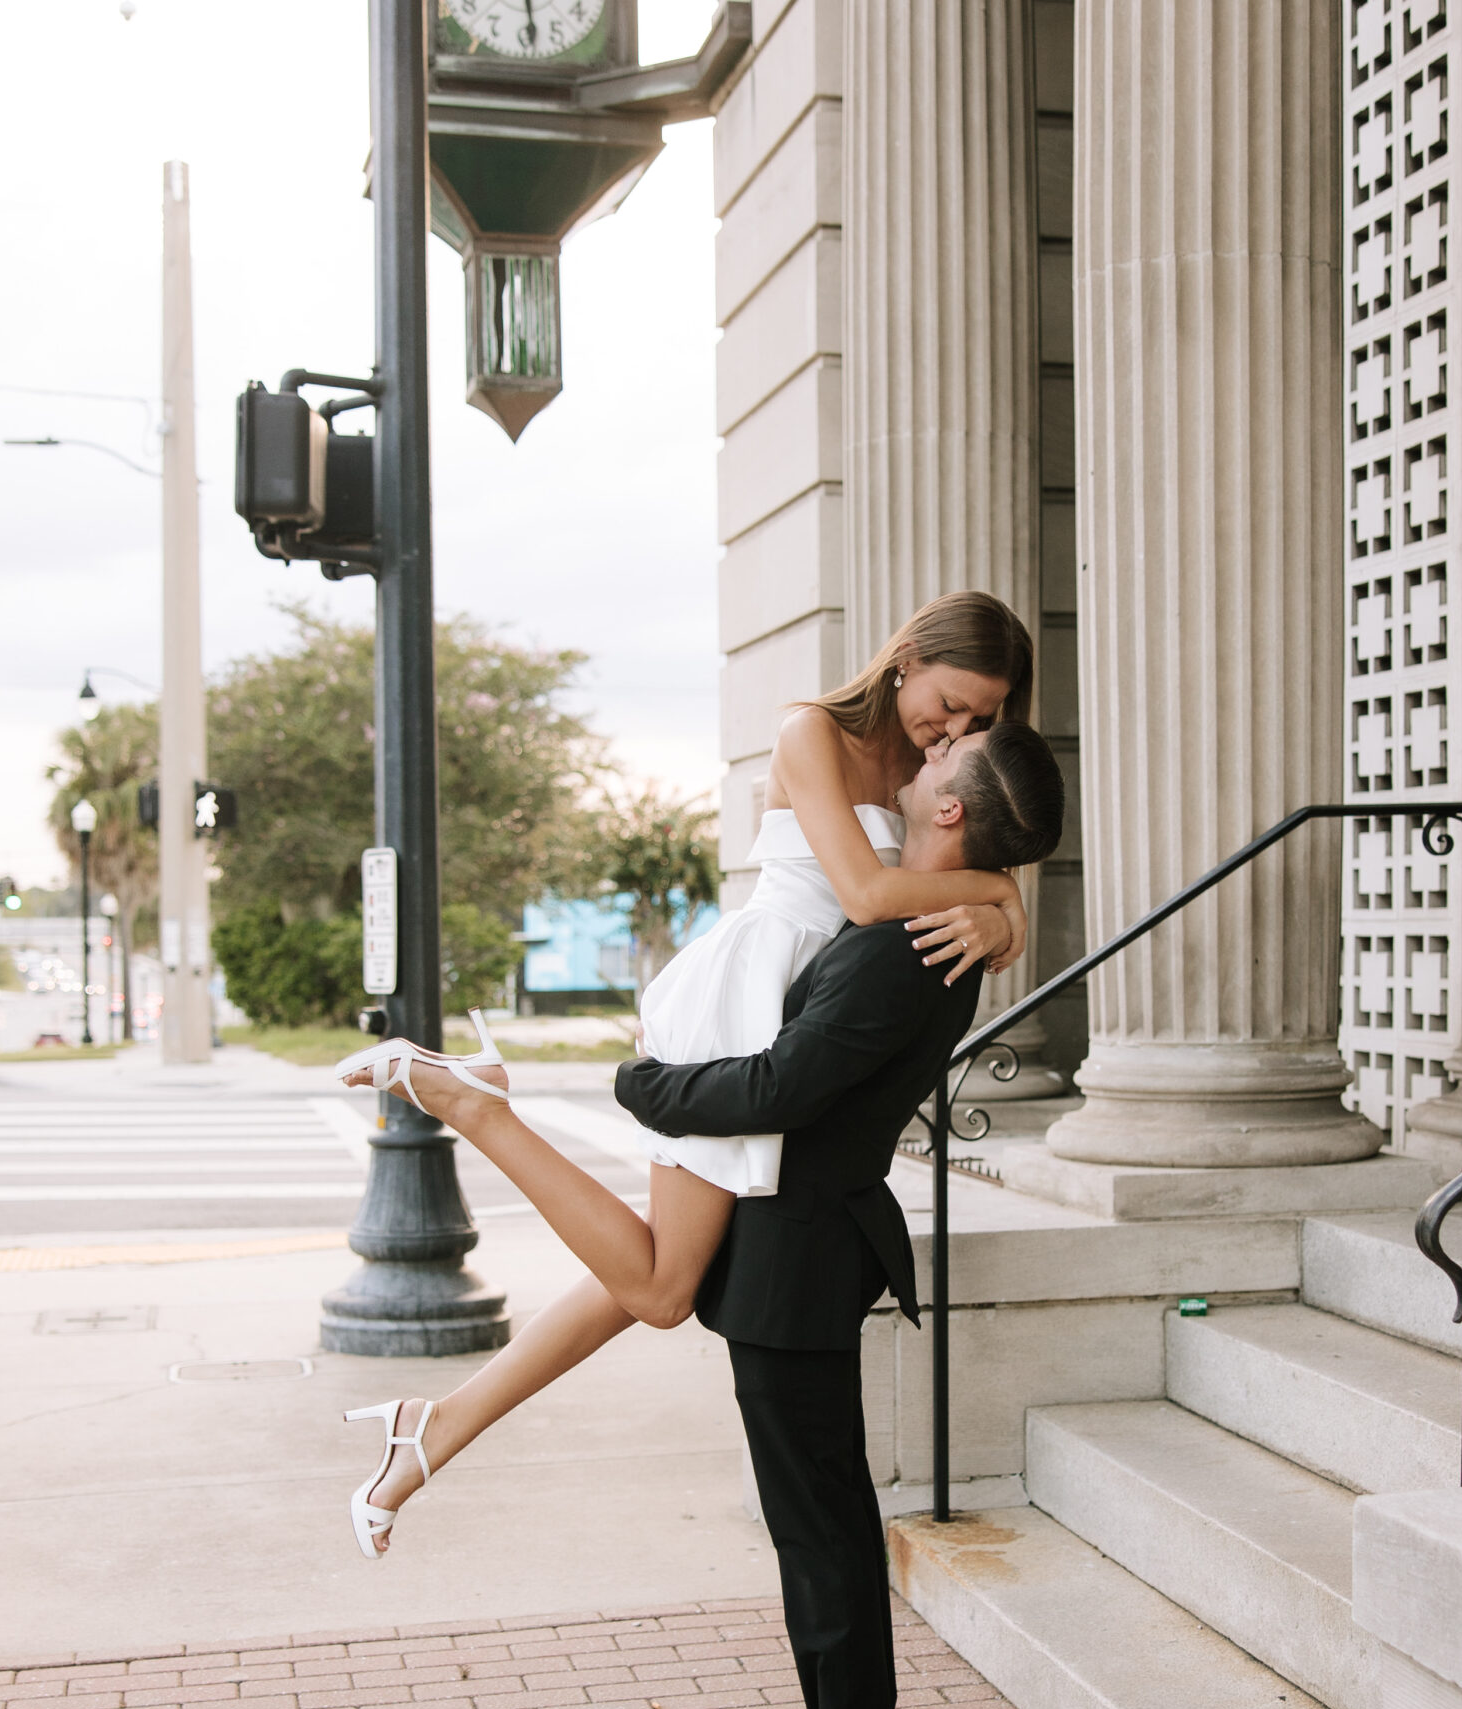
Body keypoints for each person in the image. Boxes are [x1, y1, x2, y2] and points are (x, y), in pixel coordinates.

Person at [342, 717, 1066, 1709]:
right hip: (798, 1246)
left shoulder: (907, 946)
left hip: (804, 1262)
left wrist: (641, 1084)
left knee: (821, 1527)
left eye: (935, 766)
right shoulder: (918, 920)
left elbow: (779, 1082)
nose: (919, 762)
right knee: (806, 1521)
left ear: (951, 813)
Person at [340, 591, 1036, 1552]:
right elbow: (872, 895)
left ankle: (437, 1424)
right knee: (664, 1288)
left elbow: (987, 854)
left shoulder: (939, 773)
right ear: (908, 656)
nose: (951, 730)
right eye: (949, 704)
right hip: (745, 1004)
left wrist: (1008, 909)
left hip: (799, 1020)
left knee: (661, 1275)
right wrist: (1001, 903)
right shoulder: (814, 734)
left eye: (977, 723)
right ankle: (475, 1109)